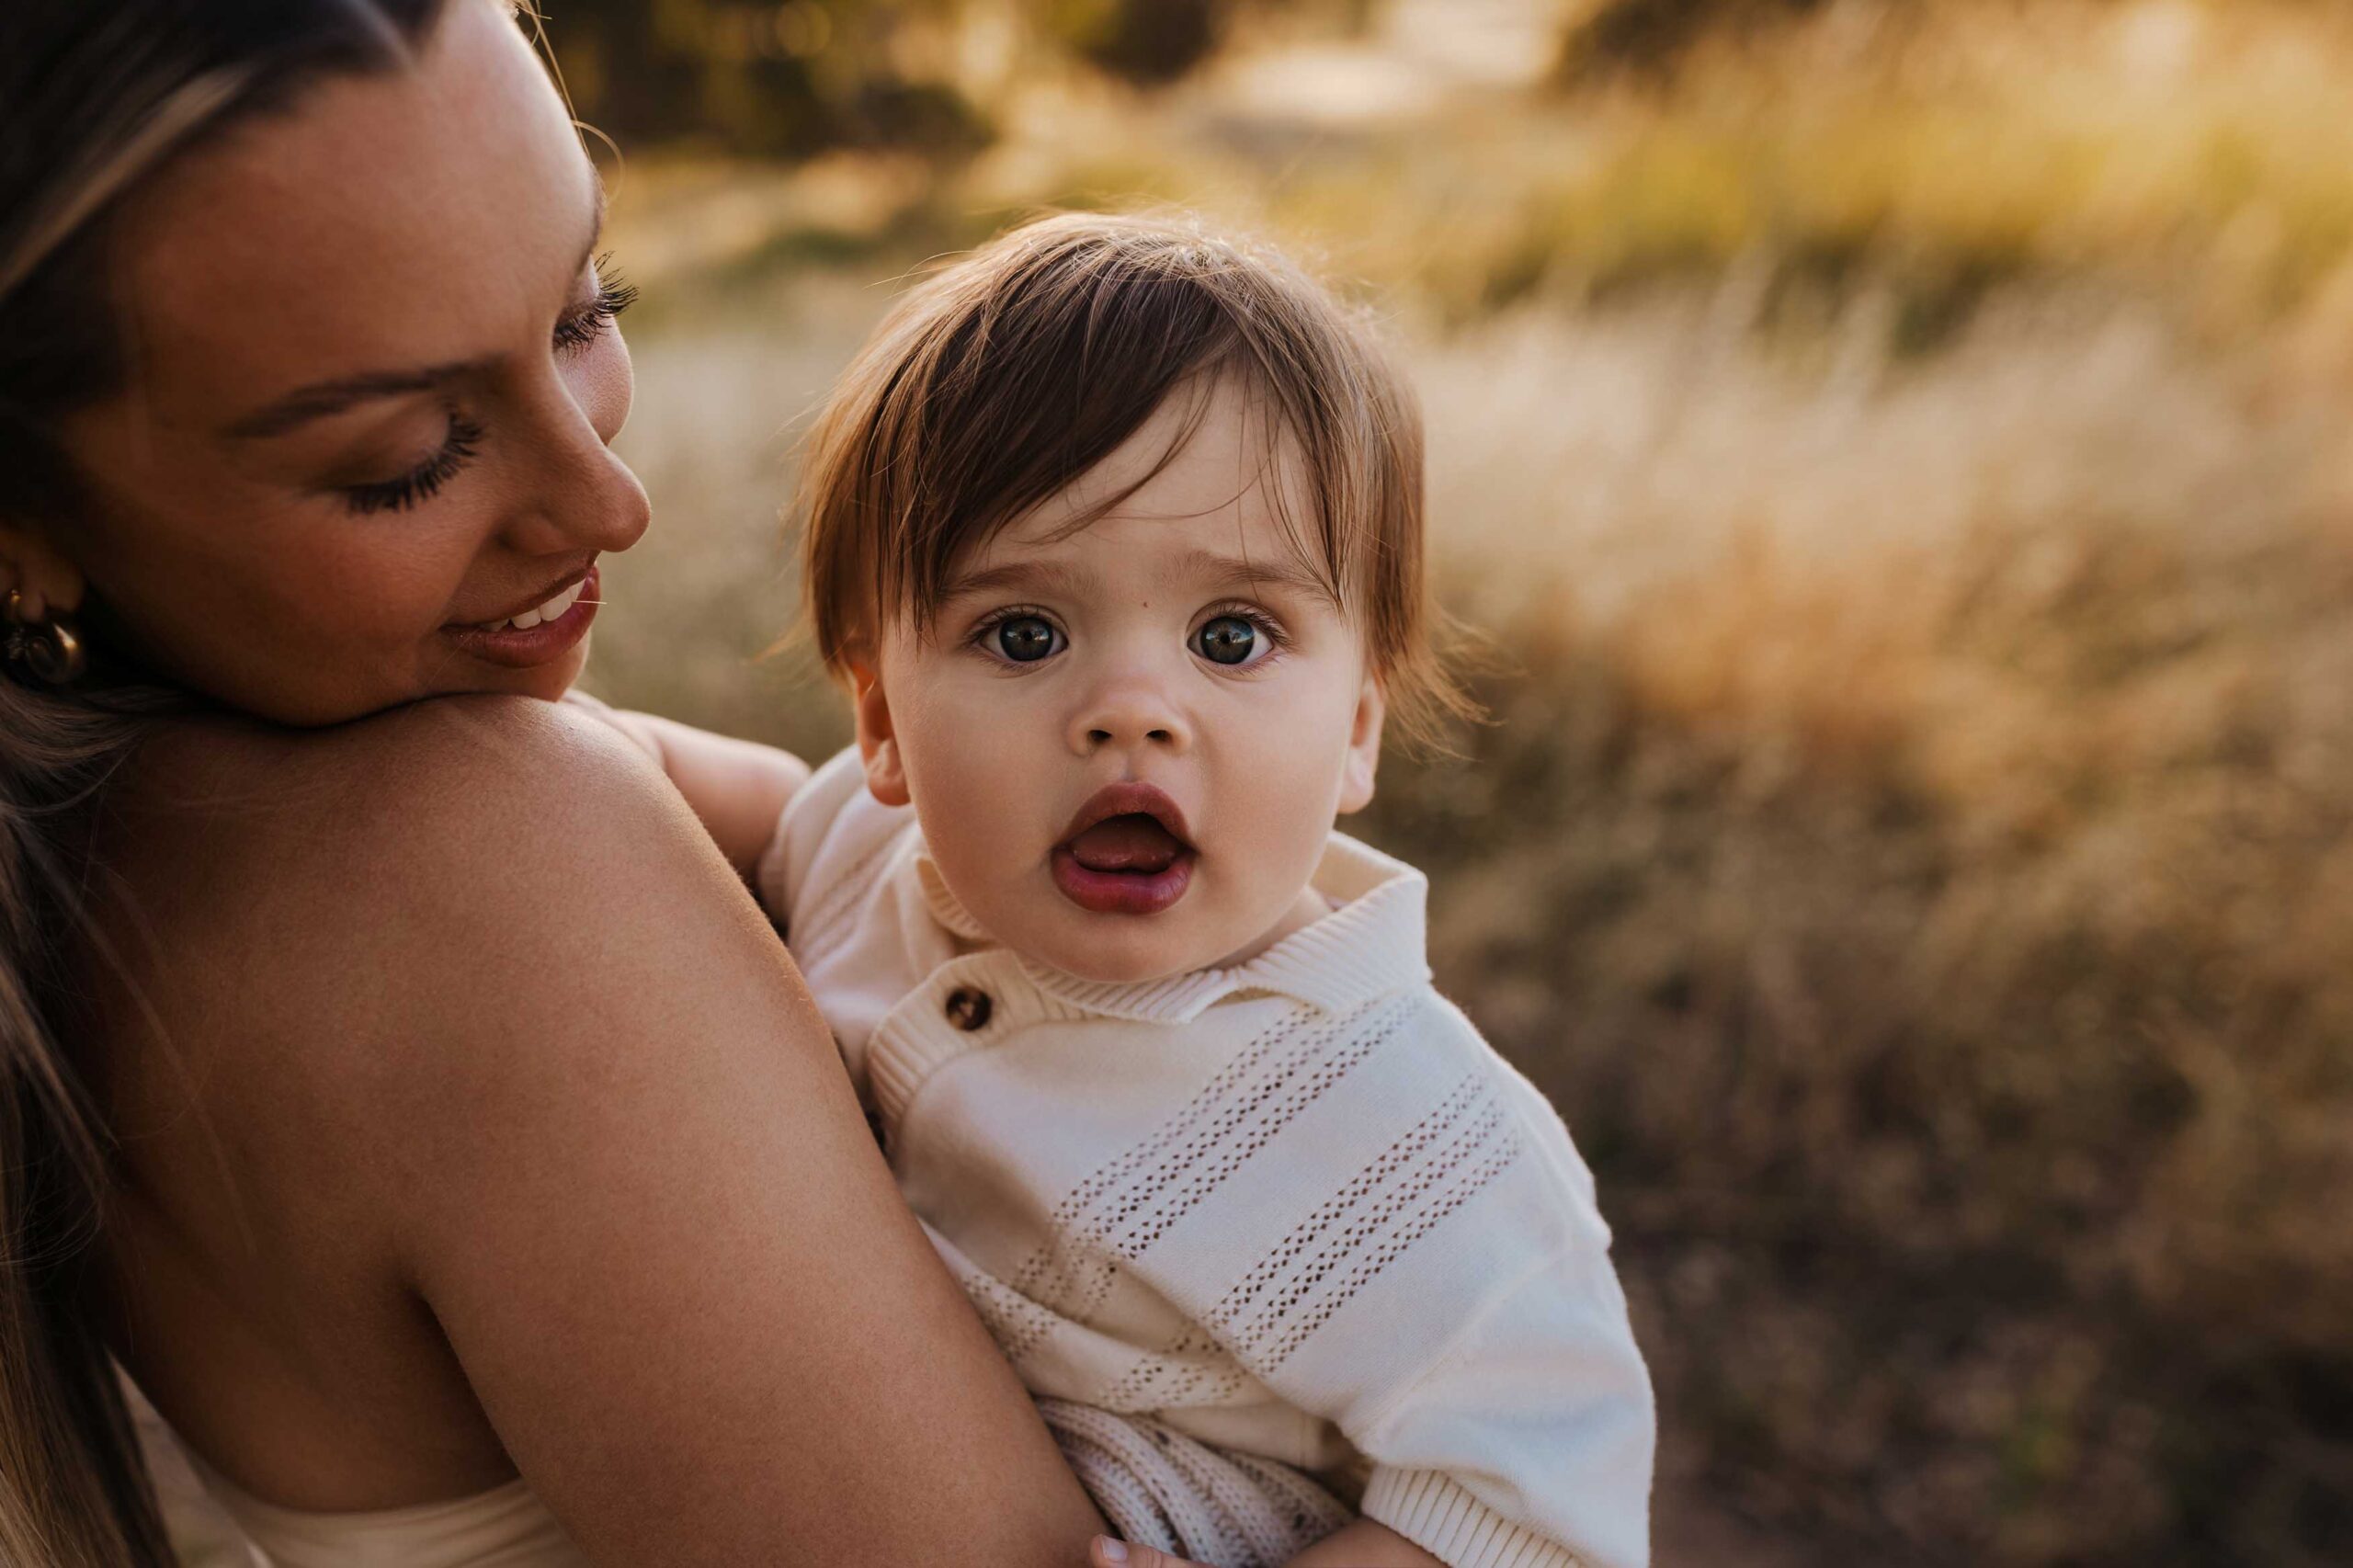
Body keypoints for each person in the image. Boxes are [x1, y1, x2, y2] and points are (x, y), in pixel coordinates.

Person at [0, 2, 1134, 1563]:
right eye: (403, 454)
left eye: (586, 309)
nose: (612, 501)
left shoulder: (86, 872)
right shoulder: (480, 867)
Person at [707, 214, 1660, 1566]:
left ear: (1355, 728)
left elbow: (1532, 1509)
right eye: (1023, 633)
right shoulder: (866, 862)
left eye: (1233, 636)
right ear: (879, 720)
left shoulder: (1417, 1142)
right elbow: (633, 794)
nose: (1132, 713)